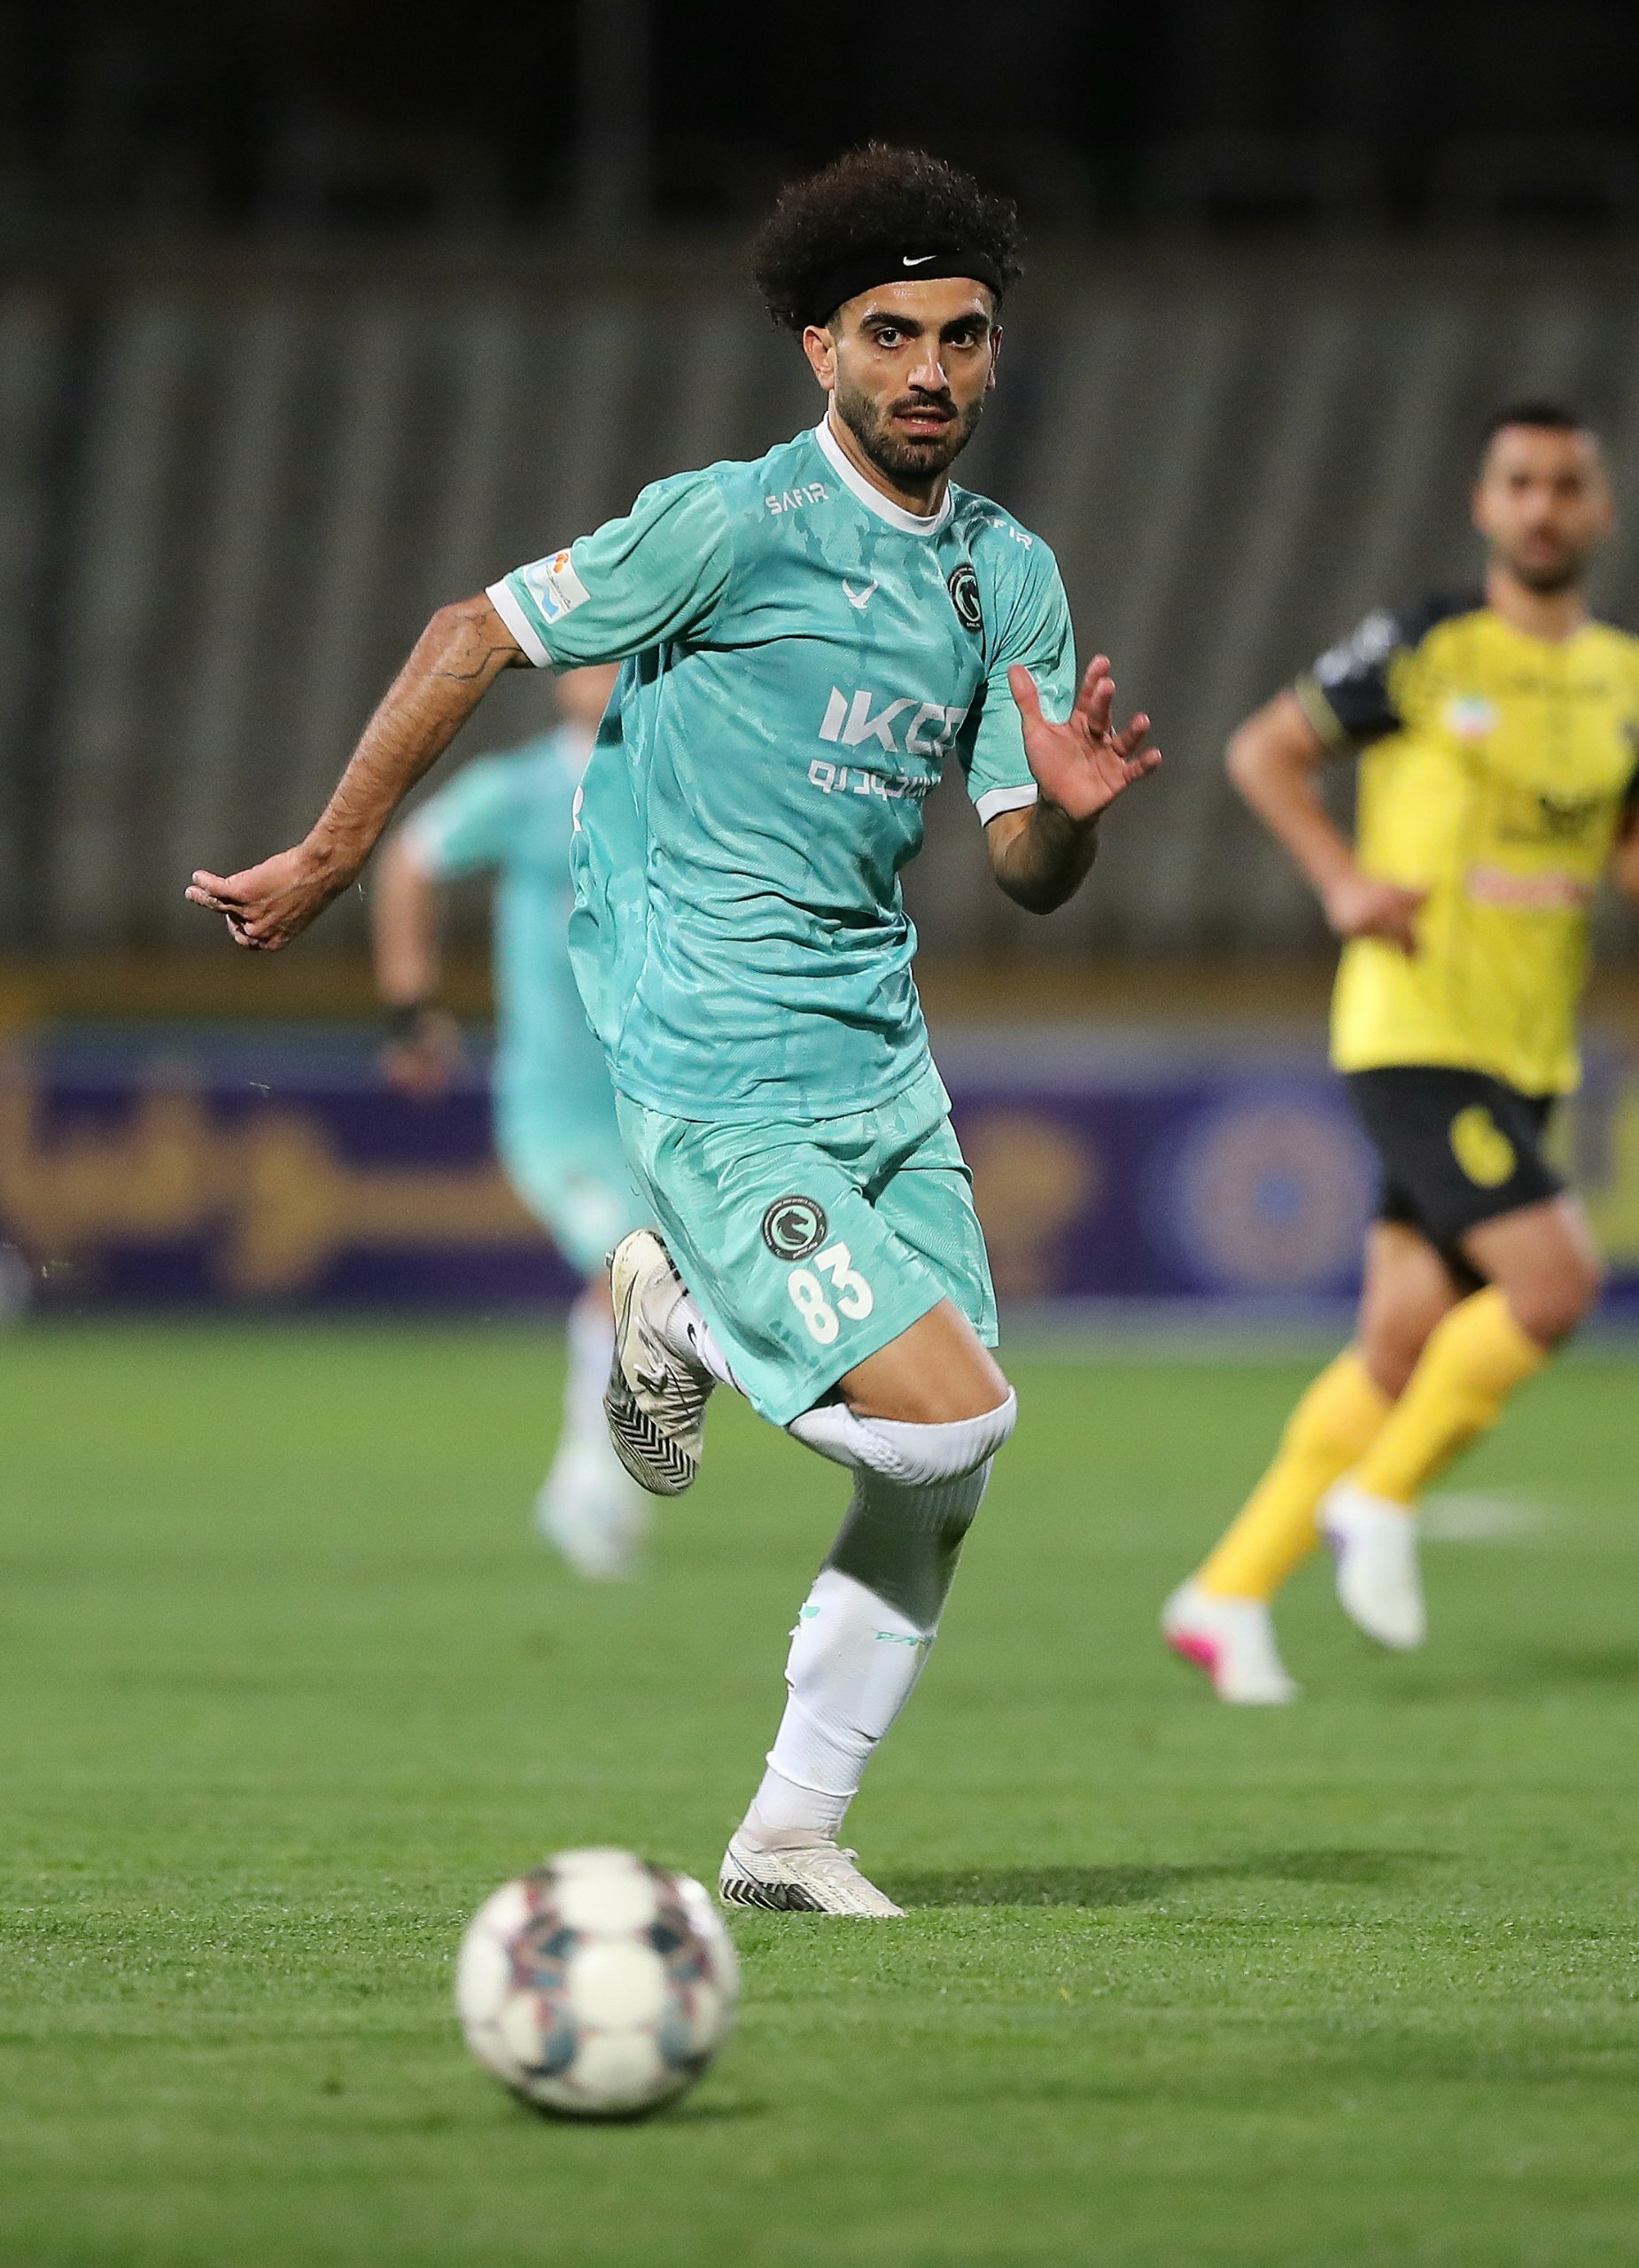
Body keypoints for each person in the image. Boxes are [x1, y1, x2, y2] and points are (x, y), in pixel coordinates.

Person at [188, 144, 1160, 1914]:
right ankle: (685, 1317)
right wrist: (333, 853)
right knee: (948, 1422)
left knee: (946, 1475)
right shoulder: (728, 523)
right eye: (889, 334)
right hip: (714, 1054)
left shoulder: (1003, 575)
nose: (928, 369)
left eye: (960, 336)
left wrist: (1070, 818)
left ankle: (787, 1832)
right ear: (819, 348)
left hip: (881, 1060)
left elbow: (1024, 869)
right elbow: (474, 630)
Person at [1161, 401, 1639, 1704]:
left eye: (1564, 484)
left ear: (1599, 510)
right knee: (1552, 1286)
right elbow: (1262, 753)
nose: (1540, 506)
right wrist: (1342, 881)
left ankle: (1226, 1593)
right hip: (1415, 1028)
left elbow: (1626, 822)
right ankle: (1378, 1499)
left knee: (1400, 1347)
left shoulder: (1633, 680)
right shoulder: (1422, 645)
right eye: (1518, 482)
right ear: (1483, 504)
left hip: (1527, 1045)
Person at [372, 662, 656, 1579]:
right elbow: (411, 859)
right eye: (590, 654)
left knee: (671, 1291)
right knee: (626, 1267)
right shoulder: (524, 789)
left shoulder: (680, 782)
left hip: (663, 1102)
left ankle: (596, 1476)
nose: (606, 669)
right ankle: (586, 1485)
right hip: (558, 1110)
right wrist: (409, 1009)